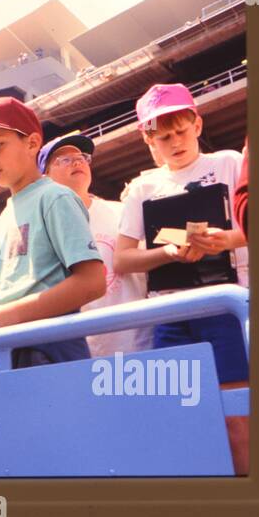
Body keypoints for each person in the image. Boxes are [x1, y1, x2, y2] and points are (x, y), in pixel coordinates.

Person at [112, 82, 249, 473]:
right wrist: (168, 253)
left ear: (197, 125)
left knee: (237, 416)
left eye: (181, 131)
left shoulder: (229, 162)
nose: (175, 142)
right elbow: (122, 259)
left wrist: (225, 241)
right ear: (148, 141)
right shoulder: (142, 187)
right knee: (183, 417)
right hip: (170, 313)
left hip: (224, 302)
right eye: (163, 136)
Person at [0, 97, 106, 368]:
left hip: (46, 350)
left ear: (32, 143)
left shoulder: (54, 196)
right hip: (3, 349)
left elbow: (92, 282)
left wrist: (1, 317)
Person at [38, 131, 152, 356]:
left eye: (81, 157)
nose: (77, 161)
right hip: (82, 352)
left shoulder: (123, 213)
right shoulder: (43, 229)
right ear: (45, 177)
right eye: (64, 159)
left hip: (139, 343)